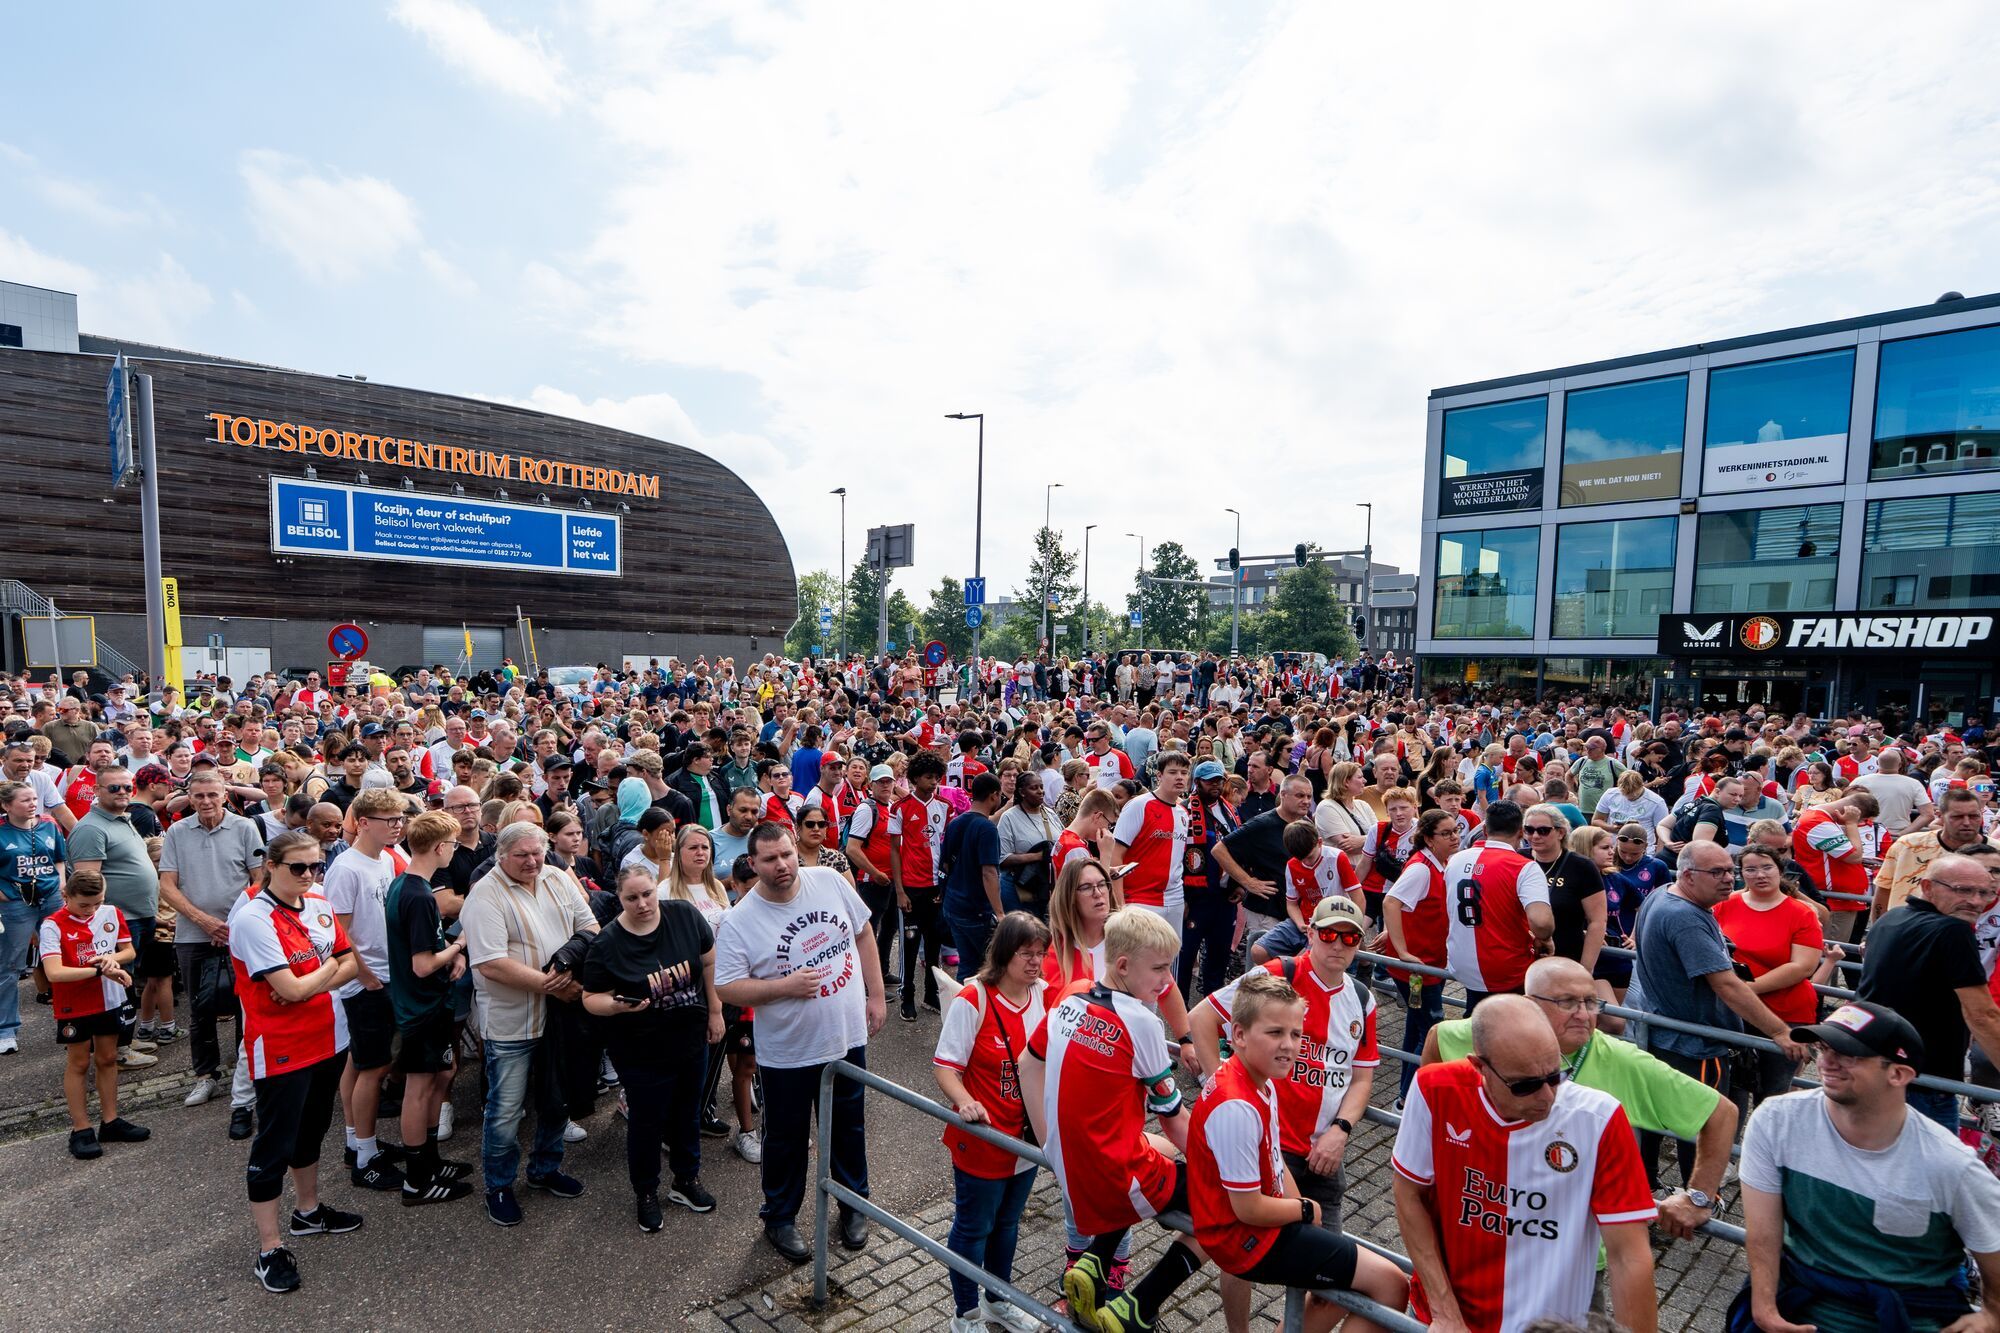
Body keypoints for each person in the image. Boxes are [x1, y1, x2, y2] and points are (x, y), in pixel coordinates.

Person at [1392, 995, 1660, 1333]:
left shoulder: (1599, 1118)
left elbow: (1629, 1258)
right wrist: (1445, 1311)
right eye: (1526, 1086)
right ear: (1480, 1067)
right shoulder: (1435, 1088)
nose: (1547, 1097)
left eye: (1555, 1075)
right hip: (1448, 1320)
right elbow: (1408, 1194)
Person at [1422, 957, 1738, 1243]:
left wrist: (1698, 1196)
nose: (1584, 1014)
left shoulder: (1623, 1061)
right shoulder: (1488, 1032)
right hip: (1482, 1221)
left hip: (1567, 1246)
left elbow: (1721, 1113)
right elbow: (1439, 1038)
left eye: (1591, 1002)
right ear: (1529, 1003)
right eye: (1567, 1002)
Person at [1737, 999, 2000, 1333]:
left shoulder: (1951, 1164)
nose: (1827, 1062)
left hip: (1903, 1318)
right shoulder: (1775, 1121)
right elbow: (1763, 1233)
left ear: (1899, 1073)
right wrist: (1764, 1309)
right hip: (1801, 1306)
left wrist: (1992, 1314)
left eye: (1849, 1054)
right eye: (1822, 1047)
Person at [1189, 897, 1380, 1332]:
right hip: (1265, 1148)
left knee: (1332, 1279)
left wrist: (1341, 1130)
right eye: (1328, 933)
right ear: (1310, 932)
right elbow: (1202, 1016)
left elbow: (1363, 1079)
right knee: (1240, 1257)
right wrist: (1216, 1088)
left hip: (1323, 1154)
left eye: (1349, 937)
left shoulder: (1363, 1000)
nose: (1338, 945)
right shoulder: (1278, 975)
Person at [1023, 908, 1208, 1333]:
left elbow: (1027, 1061)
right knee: (1223, 1211)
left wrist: (1051, 1143)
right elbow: (1175, 1121)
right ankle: (1140, 1308)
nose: (1166, 982)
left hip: (1074, 1163)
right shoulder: (1141, 1020)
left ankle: (1094, 1263)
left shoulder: (1071, 994)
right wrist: (1223, 1163)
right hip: (1113, 1173)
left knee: (1151, 1148)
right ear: (1123, 965)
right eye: (1159, 969)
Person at [714, 822, 888, 1264]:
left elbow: (864, 932)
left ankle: (854, 1206)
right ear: (752, 864)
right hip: (788, 1053)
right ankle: (780, 1217)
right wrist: (783, 987)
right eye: (770, 859)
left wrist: (876, 995)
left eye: (787, 854)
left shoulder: (829, 881)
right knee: (786, 1139)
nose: (782, 865)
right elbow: (729, 987)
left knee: (848, 1127)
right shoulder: (740, 920)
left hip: (846, 1038)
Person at [1626, 839, 1809, 1187]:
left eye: (1730, 869)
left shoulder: (1664, 893)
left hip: (1664, 1035)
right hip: (1696, 1044)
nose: (1730, 878)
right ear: (1689, 876)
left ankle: (1647, 1188)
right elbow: (1726, 985)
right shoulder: (1685, 917)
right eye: (1718, 872)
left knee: (1654, 1119)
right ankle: (1698, 1199)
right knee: (1701, 1126)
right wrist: (1780, 1031)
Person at [227, 830, 362, 1293]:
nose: (309, 876)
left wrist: (315, 977)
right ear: (271, 866)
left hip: (330, 1037)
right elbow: (292, 989)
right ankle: (270, 1247)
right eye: (297, 868)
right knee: (274, 1145)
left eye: (316, 867)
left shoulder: (321, 905)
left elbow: (349, 963)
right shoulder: (253, 918)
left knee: (313, 1129)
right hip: (281, 1046)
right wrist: (325, 973)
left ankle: (308, 1212)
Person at [461, 821, 600, 1226]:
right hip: (513, 1020)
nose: (532, 861)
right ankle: (499, 1185)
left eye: (537, 853)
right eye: (521, 855)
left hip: (560, 1019)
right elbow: (490, 964)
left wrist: (569, 959)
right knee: (505, 1110)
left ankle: (545, 1168)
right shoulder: (485, 894)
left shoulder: (556, 876)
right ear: (501, 856)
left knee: (558, 1098)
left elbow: (590, 927)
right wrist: (554, 986)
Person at [581, 866, 724, 1231]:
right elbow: (590, 998)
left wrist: (716, 1010)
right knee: (647, 1123)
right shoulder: (608, 942)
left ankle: (686, 1180)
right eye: (632, 898)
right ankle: (645, 1191)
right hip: (641, 1049)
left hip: (691, 1038)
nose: (642, 904)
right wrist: (614, 1005)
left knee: (688, 1113)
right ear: (620, 899)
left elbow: (708, 960)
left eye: (647, 894)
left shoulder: (684, 915)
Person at [933, 911, 1052, 1333]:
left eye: (1041, 953)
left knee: (1006, 1224)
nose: (1036, 962)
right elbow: (945, 1067)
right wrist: (965, 1102)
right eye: (1026, 953)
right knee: (973, 1226)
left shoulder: (1043, 995)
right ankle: (964, 1313)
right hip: (982, 1140)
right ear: (1004, 953)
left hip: (1025, 1140)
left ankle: (998, 1301)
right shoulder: (974, 999)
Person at [1857, 853, 2000, 1132]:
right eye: (1963, 890)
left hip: (1874, 1065)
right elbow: (1982, 1015)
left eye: (1985, 892)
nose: (1977, 901)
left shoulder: (1892, 918)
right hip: (1922, 1076)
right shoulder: (1953, 931)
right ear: (1927, 887)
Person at [159, 769, 266, 1117]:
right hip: (193, 934)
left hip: (240, 932)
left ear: (225, 794)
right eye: (199, 795)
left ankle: (246, 1075)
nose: (205, 801)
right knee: (200, 1008)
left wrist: (235, 923)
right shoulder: (177, 831)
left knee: (245, 1007)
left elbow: (259, 879)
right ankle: (205, 1075)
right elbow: (168, 886)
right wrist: (204, 921)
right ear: (190, 797)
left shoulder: (245, 827)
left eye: (212, 795)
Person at [381, 809, 474, 1207]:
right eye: (451, 844)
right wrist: (458, 946)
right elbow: (421, 964)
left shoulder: (405, 884)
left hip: (428, 1003)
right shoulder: (418, 895)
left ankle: (432, 1161)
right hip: (421, 1007)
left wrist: (447, 953)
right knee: (419, 1090)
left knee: (444, 1072)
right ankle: (417, 1181)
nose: (453, 850)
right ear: (439, 847)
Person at [324, 787, 409, 1192]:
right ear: (363, 823)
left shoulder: (383, 862)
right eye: (389, 820)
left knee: (361, 1063)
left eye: (399, 819)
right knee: (372, 1068)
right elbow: (337, 931)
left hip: (385, 972)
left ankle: (359, 1142)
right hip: (366, 981)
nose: (397, 826)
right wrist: (364, 975)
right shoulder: (347, 867)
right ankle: (364, 1156)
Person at [40, 867, 151, 1159]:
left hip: (109, 999)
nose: (91, 910)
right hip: (74, 1004)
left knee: (108, 1058)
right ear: (66, 896)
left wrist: (110, 960)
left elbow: (128, 952)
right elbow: (54, 972)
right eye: (83, 905)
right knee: (78, 1063)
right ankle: (81, 1128)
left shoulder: (111, 913)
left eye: (97, 903)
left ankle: (110, 1121)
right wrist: (100, 968)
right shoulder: (52, 924)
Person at [1713, 845, 1825, 1108]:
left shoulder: (1802, 912)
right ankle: (1729, 1147)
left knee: (1773, 1094)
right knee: (1731, 1091)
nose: (1760, 875)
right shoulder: (1724, 905)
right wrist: (1735, 993)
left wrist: (1744, 989)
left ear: (1780, 870)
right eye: (1751, 869)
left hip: (1786, 1012)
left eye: (1767, 867)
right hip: (1734, 1012)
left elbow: (1802, 966)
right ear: (1741, 873)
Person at [66, 765, 161, 1069]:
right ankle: (117, 1048)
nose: (122, 793)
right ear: (96, 791)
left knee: (126, 983)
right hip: (118, 923)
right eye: (114, 788)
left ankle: (124, 1039)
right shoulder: (91, 828)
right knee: (118, 986)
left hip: (138, 916)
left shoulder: (123, 818)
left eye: (127, 787)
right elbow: (87, 885)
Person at [1438, 800, 1554, 1008]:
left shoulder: (1455, 860)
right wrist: (1544, 939)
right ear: (1521, 832)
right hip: (1506, 967)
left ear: (1484, 828)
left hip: (1461, 962)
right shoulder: (1525, 867)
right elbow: (1542, 923)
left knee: (1476, 1016)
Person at [1383, 808, 1461, 1099]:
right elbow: (1391, 902)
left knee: (1416, 1029)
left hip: (1429, 964)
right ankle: (1408, 1096)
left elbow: (1405, 906)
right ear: (1428, 839)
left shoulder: (1439, 863)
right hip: (1417, 967)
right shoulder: (1421, 868)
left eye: (1455, 831)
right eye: (1447, 833)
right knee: (1430, 1031)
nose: (1455, 837)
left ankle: (1404, 1095)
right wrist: (1401, 949)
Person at [0, 778, 66, 1053]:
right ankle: (6, 1030)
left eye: (34, 799)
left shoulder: (49, 824)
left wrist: (61, 882)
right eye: (25, 800)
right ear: (6, 806)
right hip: (16, 903)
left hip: (51, 898)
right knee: (10, 966)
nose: (33, 805)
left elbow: (59, 858)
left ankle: (73, 1019)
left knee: (66, 955)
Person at [1872, 786, 1991, 921]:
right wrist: (1877, 930)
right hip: (1905, 930)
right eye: (1957, 817)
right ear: (1940, 816)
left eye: (1974, 816)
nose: (1966, 822)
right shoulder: (1907, 845)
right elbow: (1883, 891)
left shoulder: (1995, 852)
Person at [1106, 751, 1191, 934]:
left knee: (1168, 961)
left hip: (1174, 900)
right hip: (1139, 899)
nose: (1179, 777)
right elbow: (1116, 853)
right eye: (1173, 772)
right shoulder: (1140, 805)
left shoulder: (1184, 813)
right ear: (1159, 775)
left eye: (1184, 773)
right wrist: (1119, 904)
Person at [893, 751, 951, 1019]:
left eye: (937, 777)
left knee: (934, 943)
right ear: (915, 778)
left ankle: (931, 993)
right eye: (929, 777)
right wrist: (900, 890)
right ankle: (907, 994)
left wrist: (943, 884)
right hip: (911, 888)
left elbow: (946, 849)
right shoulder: (900, 808)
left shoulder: (944, 806)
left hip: (935, 887)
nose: (934, 782)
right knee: (910, 943)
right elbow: (894, 851)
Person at [1792, 791, 1882, 944]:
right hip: (1835, 901)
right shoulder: (1819, 823)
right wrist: (1851, 823)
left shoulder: (1820, 818)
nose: (1860, 823)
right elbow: (1854, 856)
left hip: (1838, 899)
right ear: (1854, 811)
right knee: (1830, 953)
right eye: (1862, 819)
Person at [940, 773, 1006, 980]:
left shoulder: (955, 823)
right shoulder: (987, 828)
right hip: (975, 909)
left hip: (953, 904)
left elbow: (945, 864)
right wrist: (1000, 913)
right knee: (990, 967)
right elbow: (989, 872)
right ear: (994, 796)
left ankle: (963, 1007)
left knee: (968, 965)